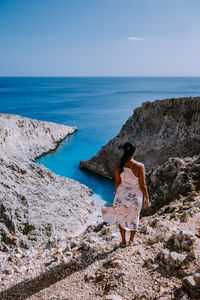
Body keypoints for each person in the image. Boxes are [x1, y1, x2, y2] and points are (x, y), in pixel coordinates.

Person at [102, 142, 149, 248]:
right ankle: (131, 241)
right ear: (134, 152)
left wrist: (117, 195)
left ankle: (123, 241)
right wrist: (146, 197)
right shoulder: (139, 166)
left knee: (121, 218)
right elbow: (143, 184)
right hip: (135, 196)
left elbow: (117, 182)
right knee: (134, 217)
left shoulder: (119, 164)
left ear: (124, 151)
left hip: (121, 194)